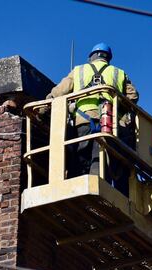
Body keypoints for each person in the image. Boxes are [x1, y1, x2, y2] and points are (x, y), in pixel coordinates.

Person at [46, 43, 138, 193]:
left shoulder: (79, 70)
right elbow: (133, 97)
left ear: (91, 57)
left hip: (82, 121)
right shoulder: (119, 73)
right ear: (108, 58)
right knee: (101, 157)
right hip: (109, 122)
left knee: (80, 157)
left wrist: (43, 107)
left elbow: (59, 91)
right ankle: (99, 189)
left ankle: (76, 190)